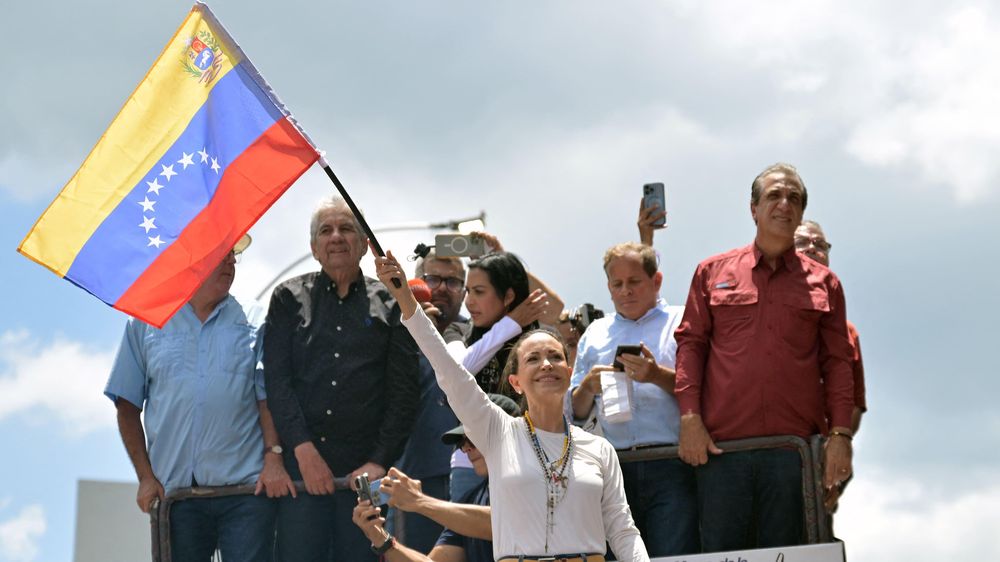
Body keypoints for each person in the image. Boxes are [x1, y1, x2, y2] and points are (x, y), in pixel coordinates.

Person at [375, 249, 649, 562]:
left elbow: (623, 530)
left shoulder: (599, 449)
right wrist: (405, 299)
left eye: (556, 357)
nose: (547, 364)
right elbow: (449, 370)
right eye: (533, 359)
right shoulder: (497, 433)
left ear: (569, 371)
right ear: (516, 382)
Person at [674, 163, 855, 552]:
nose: (784, 204)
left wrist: (840, 435)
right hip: (722, 452)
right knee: (724, 556)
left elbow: (838, 363)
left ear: (801, 212)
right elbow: (691, 346)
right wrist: (689, 418)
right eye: (774, 195)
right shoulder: (711, 272)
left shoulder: (826, 284)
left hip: (792, 454)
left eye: (793, 198)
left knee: (787, 554)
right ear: (753, 208)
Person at [105, 235, 294, 562]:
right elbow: (126, 406)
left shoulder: (258, 319)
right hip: (176, 496)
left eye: (234, 255)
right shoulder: (145, 322)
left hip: (246, 492)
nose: (231, 262)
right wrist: (145, 478)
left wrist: (274, 460)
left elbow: (268, 398)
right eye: (221, 255)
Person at [263, 196, 419, 561]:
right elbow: (277, 382)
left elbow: (404, 393)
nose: (336, 237)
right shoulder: (286, 298)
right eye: (326, 230)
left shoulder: (394, 302)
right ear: (314, 247)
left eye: (347, 228)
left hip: (364, 483)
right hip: (301, 478)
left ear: (365, 244)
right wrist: (302, 449)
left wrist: (379, 461)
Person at [569, 242, 699, 556]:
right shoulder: (595, 334)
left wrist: (656, 375)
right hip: (614, 468)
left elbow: (703, 389)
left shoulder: (682, 322)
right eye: (617, 284)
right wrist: (588, 386)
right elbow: (575, 412)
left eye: (634, 282)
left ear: (657, 281)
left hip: (671, 463)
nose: (625, 291)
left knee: (671, 555)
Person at [441, 240, 556, 501]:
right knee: (466, 538)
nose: (469, 302)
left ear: (508, 296)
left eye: (479, 292)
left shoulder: (538, 340)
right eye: (468, 291)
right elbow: (457, 372)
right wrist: (510, 324)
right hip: (469, 461)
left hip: (527, 456)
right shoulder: (458, 330)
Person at [352, 394, 520, 562]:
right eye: (462, 442)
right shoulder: (472, 499)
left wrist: (418, 501)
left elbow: (504, 522)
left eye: (474, 437)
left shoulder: (538, 480)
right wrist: (382, 539)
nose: (466, 448)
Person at [392, 250, 470, 553]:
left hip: (470, 473)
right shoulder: (397, 331)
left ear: (464, 291)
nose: (440, 288)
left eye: (452, 282)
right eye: (433, 278)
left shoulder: (475, 331)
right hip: (416, 476)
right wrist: (416, 328)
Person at [794, 219, 867, 512]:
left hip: (821, 461)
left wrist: (833, 448)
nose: (813, 248)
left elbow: (854, 405)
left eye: (821, 244)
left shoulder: (847, 331)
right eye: (803, 242)